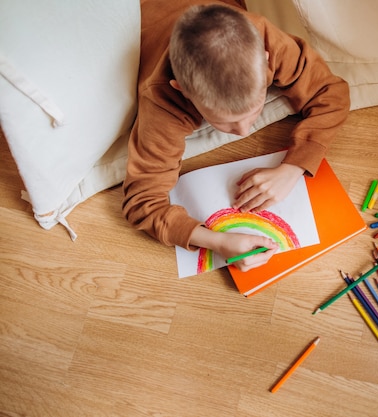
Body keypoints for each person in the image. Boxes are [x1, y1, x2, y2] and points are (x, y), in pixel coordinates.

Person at [122, 0, 350, 271]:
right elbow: (142, 202)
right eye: (225, 123)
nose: (244, 131)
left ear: (266, 61)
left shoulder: (264, 36)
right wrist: (215, 241)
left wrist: (293, 168)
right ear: (182, 89)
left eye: (254, 111)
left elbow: (331, 93)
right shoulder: (162, 100)